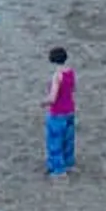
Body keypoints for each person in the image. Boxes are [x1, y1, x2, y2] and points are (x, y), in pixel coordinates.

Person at [43, 46, 78, 176]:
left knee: (55, 141)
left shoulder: (57, 76)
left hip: (57, 113)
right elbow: (73, 89)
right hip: (70, 110)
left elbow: (52, 98)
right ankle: (69, 163)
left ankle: (58, 169)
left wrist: (43, 102)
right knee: (68, 139)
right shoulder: (70, 72)